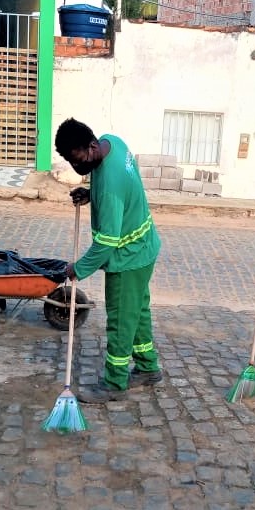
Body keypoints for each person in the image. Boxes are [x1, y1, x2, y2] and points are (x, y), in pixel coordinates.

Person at [55, 118, 163, 404]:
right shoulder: (112, 142)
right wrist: (92, 194)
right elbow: (124, 188)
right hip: (145, 246)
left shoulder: (110, 186)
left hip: (128, 257)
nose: (75, 168)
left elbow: (106, 241)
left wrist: (78, 269)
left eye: (77, 160)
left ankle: (115, 382)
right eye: (69, 161)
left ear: (91, 146)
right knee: (137, 311)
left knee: (120, 320)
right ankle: (149, 367)